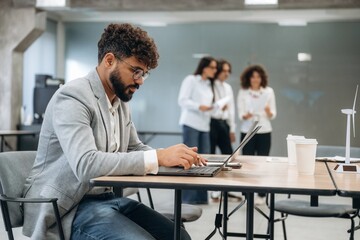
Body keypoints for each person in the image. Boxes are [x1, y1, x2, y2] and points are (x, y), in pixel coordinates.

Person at [21, 23, 206, 240]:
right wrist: (158, 157)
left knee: (179, 236)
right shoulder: (72, 97)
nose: (140, 81)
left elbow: (134, 148)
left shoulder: (119, 100)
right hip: (66, 208)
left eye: (144, 74)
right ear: (109, 60)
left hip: (104, 199)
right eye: (136, 71)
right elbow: (86, 164)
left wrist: (172, 158)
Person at [178, 56, 217, 204]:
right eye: (212, 67)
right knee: (190, 160)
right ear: (204, 67)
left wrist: (216, 108)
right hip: (191, 124)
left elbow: (208, 106)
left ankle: (201, 198)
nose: (215, 70)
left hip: (204, 126)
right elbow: (182, 100)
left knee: (203, 161)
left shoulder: (208, 85)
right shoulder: (191, 80)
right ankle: (188, 199)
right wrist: (199, 106)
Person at [237, 64, 277, 205]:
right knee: (247, 163)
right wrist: (246, 115)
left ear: (262, 78)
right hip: (247, 130)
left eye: (258, 77)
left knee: (262, 162)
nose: (255, 79)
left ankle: (261, 194)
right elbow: (240, 113)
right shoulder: (243, 92)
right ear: (248, 78)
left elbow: (273, 114)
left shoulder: (268, 91)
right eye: (253, 77)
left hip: (264, 130)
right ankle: (247, 194)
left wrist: (267, 110)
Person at [208, 59, 242, 202]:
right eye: (224, 71)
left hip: (224, 124)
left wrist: (232, 128)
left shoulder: (227, 87)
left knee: (228, 155)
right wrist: (217, 107)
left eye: (229, 71)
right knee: (209, 156)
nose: (226, 74)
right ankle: (213, 192)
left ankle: (226, 189)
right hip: (211, 122)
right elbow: (207, 106)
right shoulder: (209, 85)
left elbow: (232, 109)